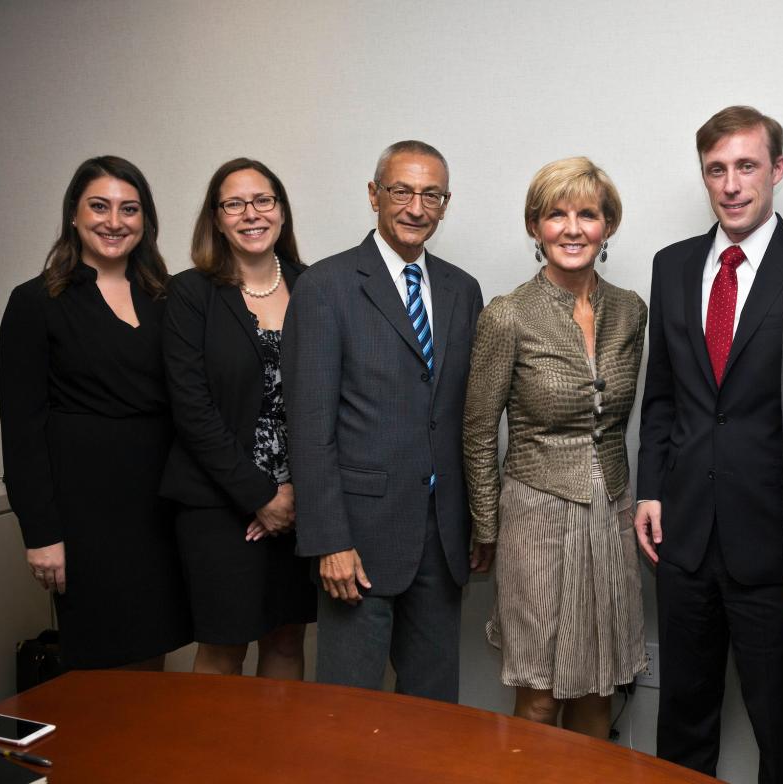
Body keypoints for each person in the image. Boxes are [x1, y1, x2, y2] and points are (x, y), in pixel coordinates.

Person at [635, 106, 783, 782]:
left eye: (747, 166)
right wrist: (650, 486)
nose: (732, 184)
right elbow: (663, 395)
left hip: (775, 543)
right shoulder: (674, 265)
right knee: (682, 717)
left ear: (777, 170)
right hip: (683, 538)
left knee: (781, 724)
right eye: (717, 169)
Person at [282, 140, 485, 701]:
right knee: (347, 714)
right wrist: (328, 540)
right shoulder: (326, 287)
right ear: (374, 195)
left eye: (432, 195)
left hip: (442, 540)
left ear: (446, 203)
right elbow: (310, 426)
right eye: (402, 191)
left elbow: (467, 418)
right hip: (359, 540)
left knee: (433, 711)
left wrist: (475, 522)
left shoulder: (461, 290)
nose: (416, 208)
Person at [463, 157, 648, 738]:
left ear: (607, 225)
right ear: (535, 226)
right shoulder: (507, 314)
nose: (572, 229)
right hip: (535, 517)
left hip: (610, 515)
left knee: (597, 692)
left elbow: (618, 424)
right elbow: (476, 429)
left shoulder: (630, 311)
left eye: (587, 214)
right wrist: (486, 526)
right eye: (555, 215)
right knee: (540, 698)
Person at [0, 155, 191, 670]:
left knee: (153, 651)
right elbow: (21, 429)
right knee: (101, 661)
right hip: (84, 514)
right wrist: (40, 534)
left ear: (145, 221)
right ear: (74, 215)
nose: (114, 221)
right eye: (99, 206)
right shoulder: (35, 301)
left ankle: (146, 754)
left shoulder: (167, 298)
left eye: (129, 209)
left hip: (161, 506)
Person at [161, 158, 316, 679]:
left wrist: (292, 493)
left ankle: (278, 763)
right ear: (217, 217)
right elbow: (192, 408)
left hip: (300, 500)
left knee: (287, 640)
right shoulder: (190, 293)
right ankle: (212, 764)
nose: (251, 214)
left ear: (281, 210)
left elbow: (331, 397)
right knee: (225, 647)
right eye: (234, 203)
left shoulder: (315, 287)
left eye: (263, 200)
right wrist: (260, 495)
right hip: (217, 502)